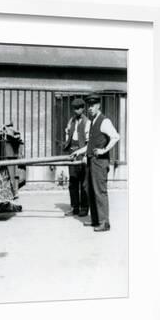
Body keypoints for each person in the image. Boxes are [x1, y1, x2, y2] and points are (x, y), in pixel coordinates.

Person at [70, 93, 120, 232]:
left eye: (93, 105)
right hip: (91, 161)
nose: (90, 108)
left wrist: (104, 150)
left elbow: (116, 137)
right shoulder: (92, 122)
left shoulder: (104, 121)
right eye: (89, 106)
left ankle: (104, 223)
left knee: (100, 192)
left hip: (100, 162)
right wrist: (79, 152)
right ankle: (96, 220)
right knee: (90, 190)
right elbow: (90, 145)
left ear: (98, 105)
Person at [63, 98, 90, 217]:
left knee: (84, 183)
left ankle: (84, 208)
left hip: (82, 153)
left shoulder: (87, 122)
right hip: (72, 152)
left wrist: (84, 154)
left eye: (78, 108)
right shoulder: (71, 120)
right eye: (74, 108)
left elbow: (89, 142)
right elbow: (68, 132)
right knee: (73, 181)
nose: (76, 110)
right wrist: (67, 142)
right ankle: (75, 207)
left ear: (83, 108)